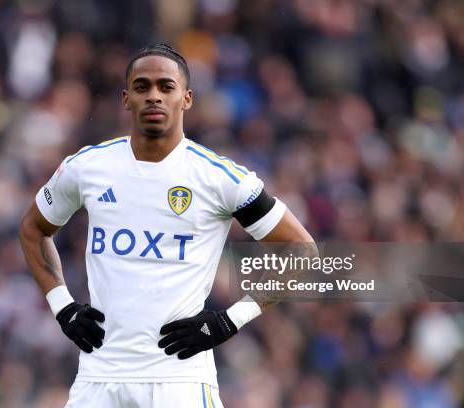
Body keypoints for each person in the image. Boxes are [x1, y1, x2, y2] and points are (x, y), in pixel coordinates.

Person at [19, 43, 315, 407]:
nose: (154, 97)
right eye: (142, 87)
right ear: (126, 98)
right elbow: (34, 229)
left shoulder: (219, 178)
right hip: (98, 378)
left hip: (179, 382)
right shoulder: (88, 167)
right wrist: (63, 307)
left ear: (186, 98)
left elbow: (301, 251)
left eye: (166, 87)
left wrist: (229, 321)